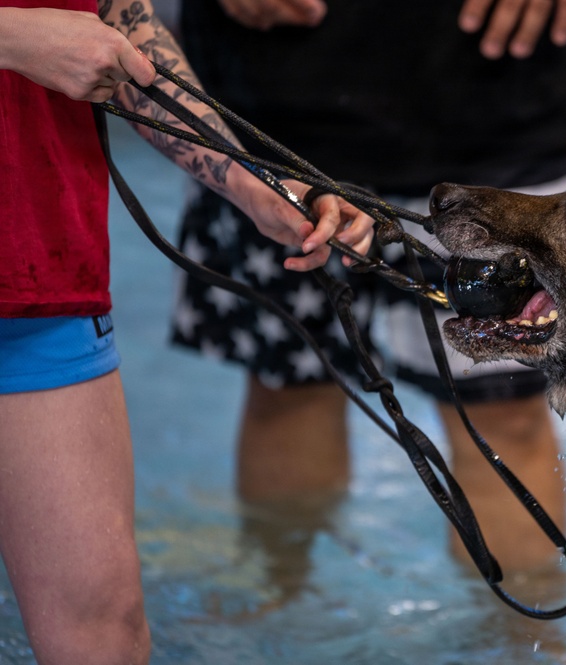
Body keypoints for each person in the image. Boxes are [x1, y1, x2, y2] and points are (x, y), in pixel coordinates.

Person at [0, 2, 372, 663]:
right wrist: (11, 36)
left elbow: (118, 20)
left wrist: (256, 185)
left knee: (105, 632)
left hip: (42, 269)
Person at [171, 0, 566, 571]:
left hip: (496, 88)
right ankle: (282, 597)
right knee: (287, 383)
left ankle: (522, 625)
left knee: (506, 410)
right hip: (276, 95)